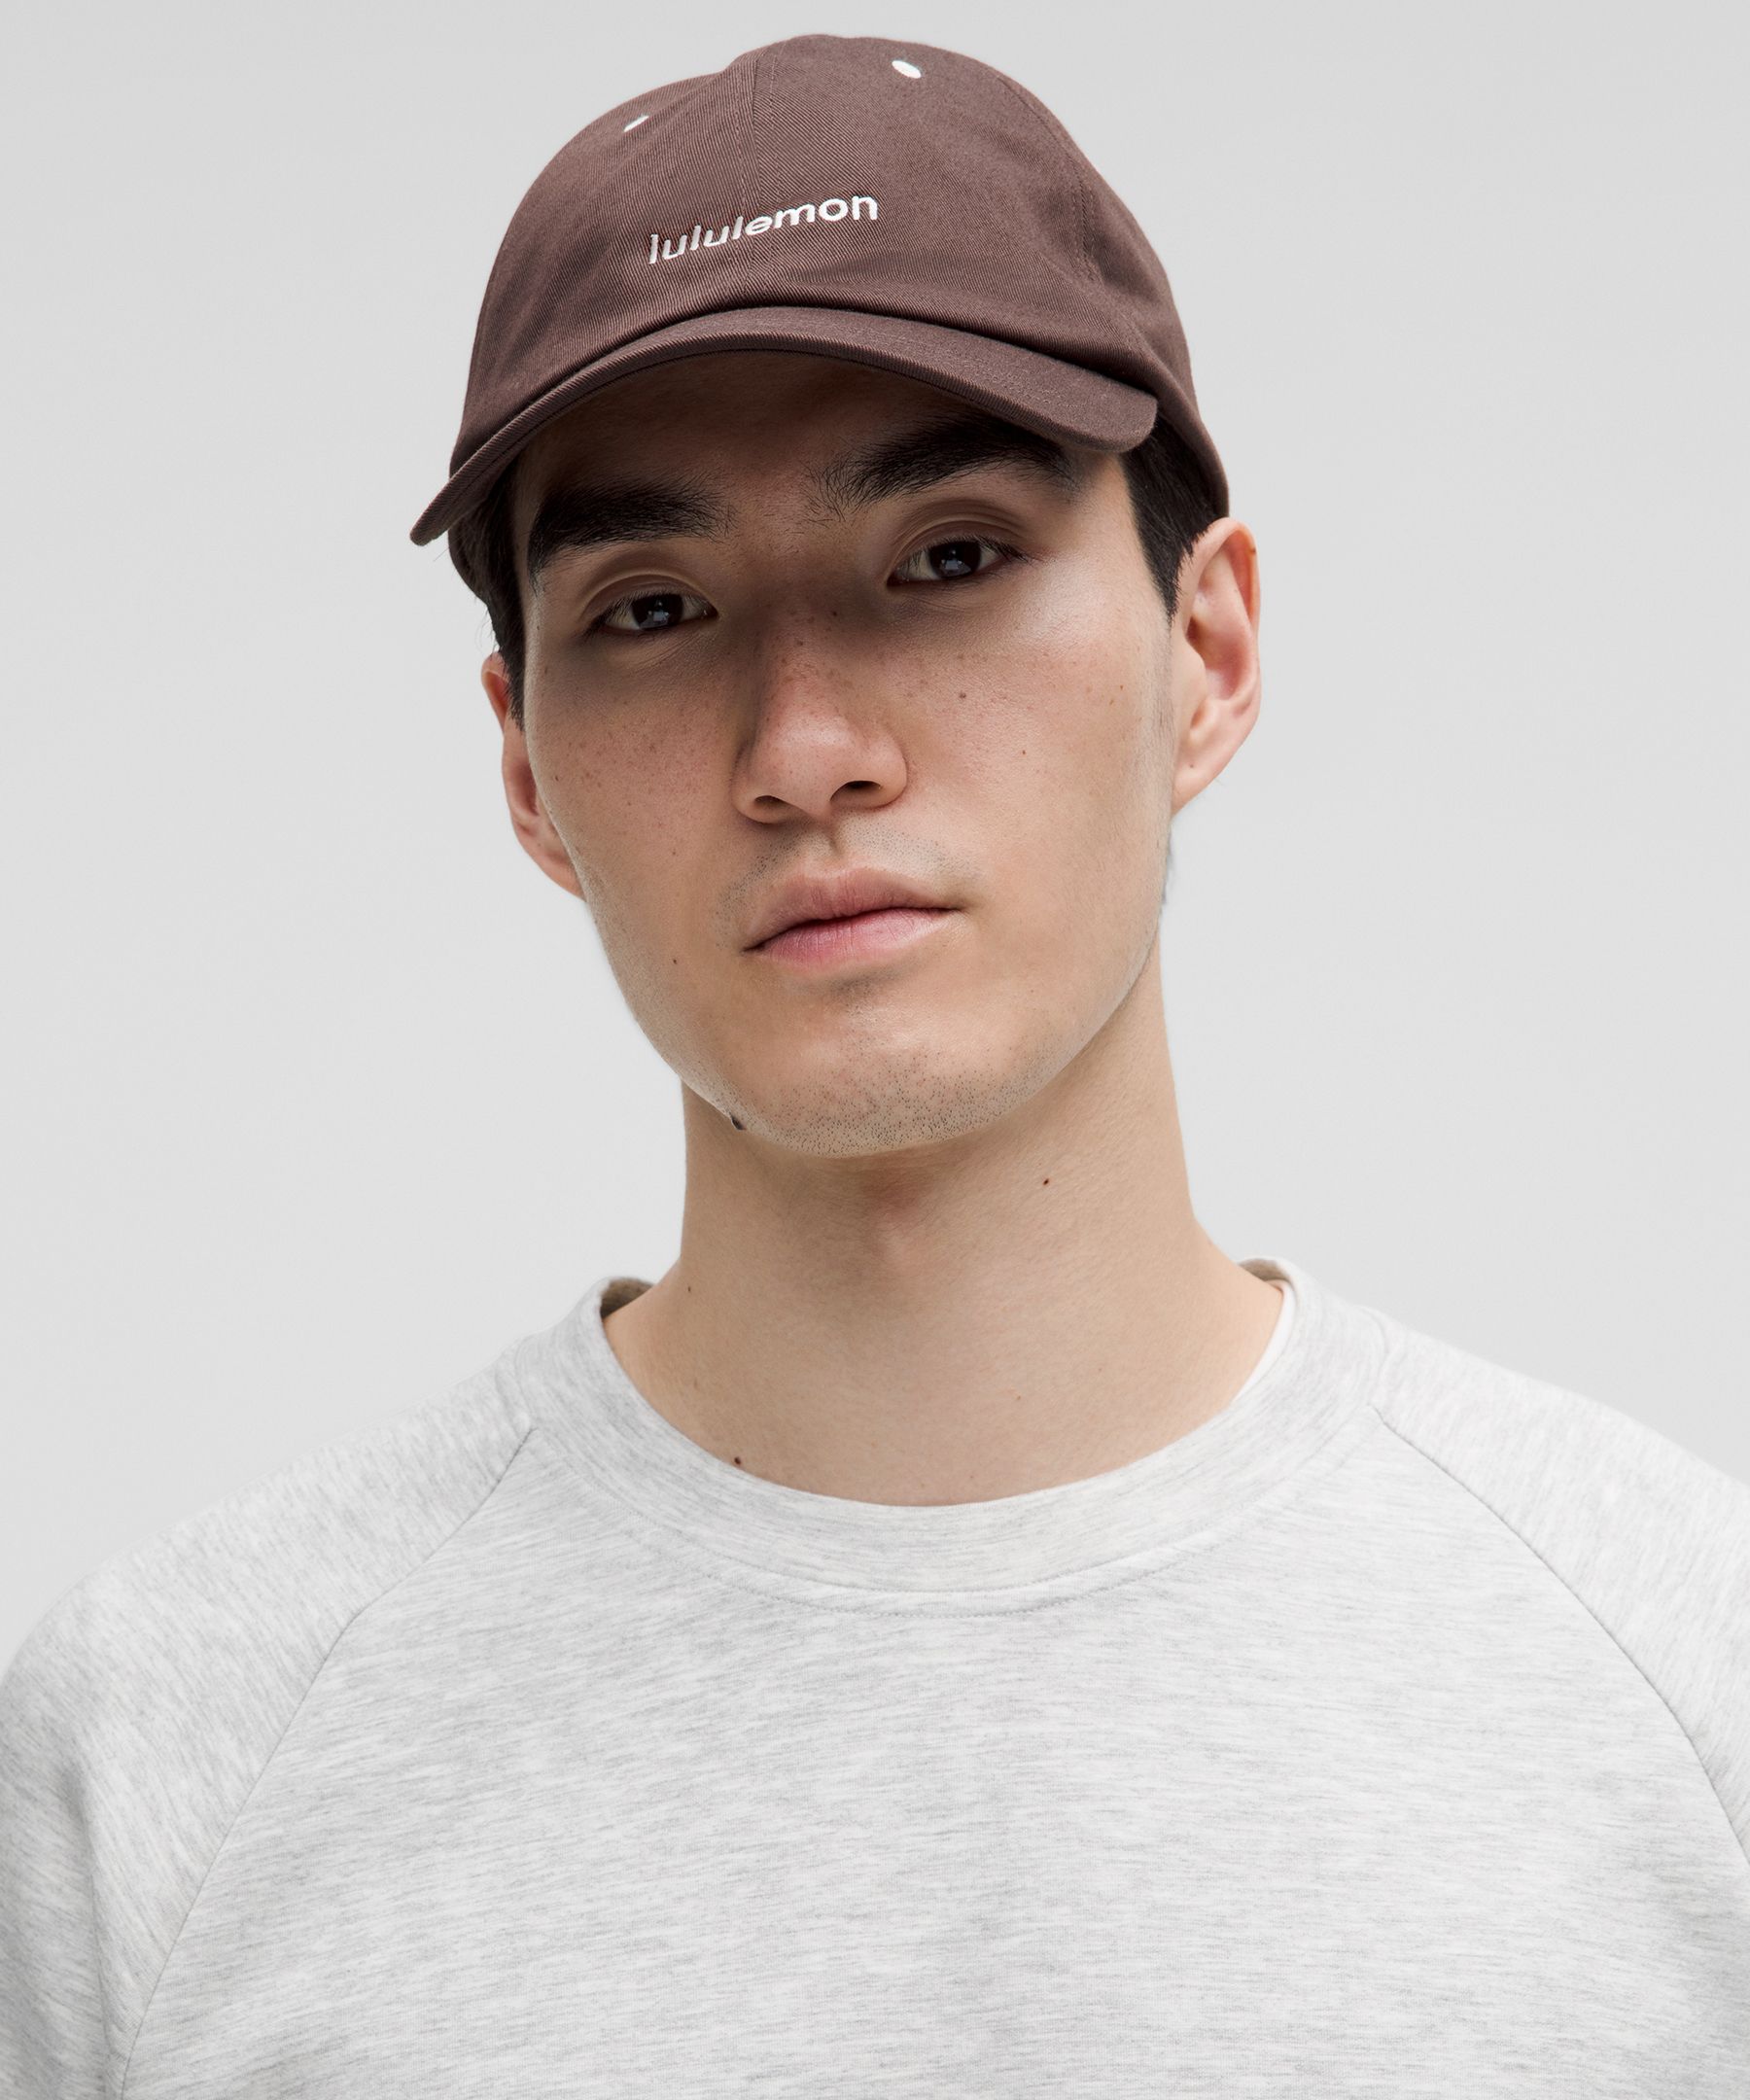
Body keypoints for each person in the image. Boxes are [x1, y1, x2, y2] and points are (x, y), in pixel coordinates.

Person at [4, 31, 1747, 2095]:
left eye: (950, 559)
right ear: (526, 768)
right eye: (655, 607)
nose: (806, 747)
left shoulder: (1685, 1679)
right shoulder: (166, 1750)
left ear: (1207, 654)